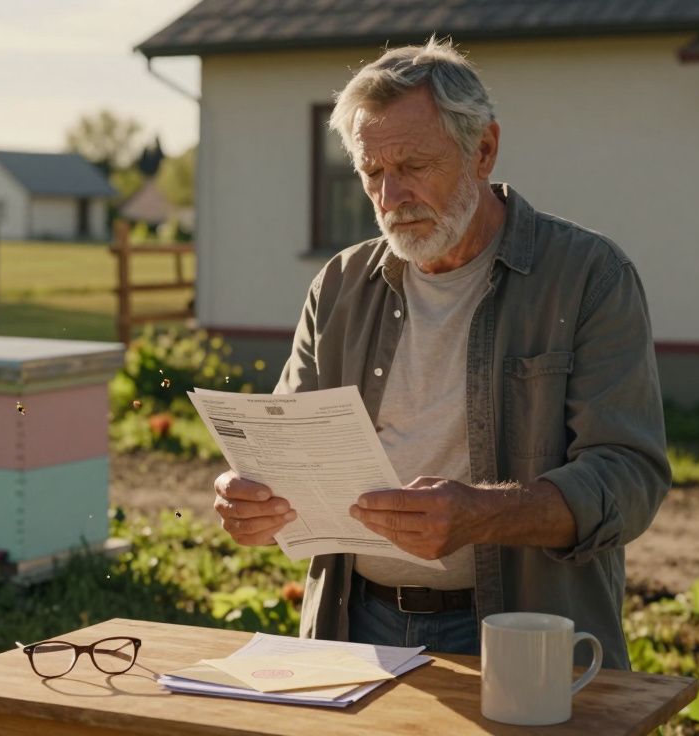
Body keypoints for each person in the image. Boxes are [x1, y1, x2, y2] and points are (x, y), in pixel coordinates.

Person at [211, 37, 670, 670]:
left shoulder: (589, 275)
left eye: (415, 166)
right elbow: (286, 445)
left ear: (483, 150)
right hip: (352, 624)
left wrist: (482, 514)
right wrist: (251, 494)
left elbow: (629, 477)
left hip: (521, 632)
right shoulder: (340, 284)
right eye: (372, 173)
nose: (390, 195)